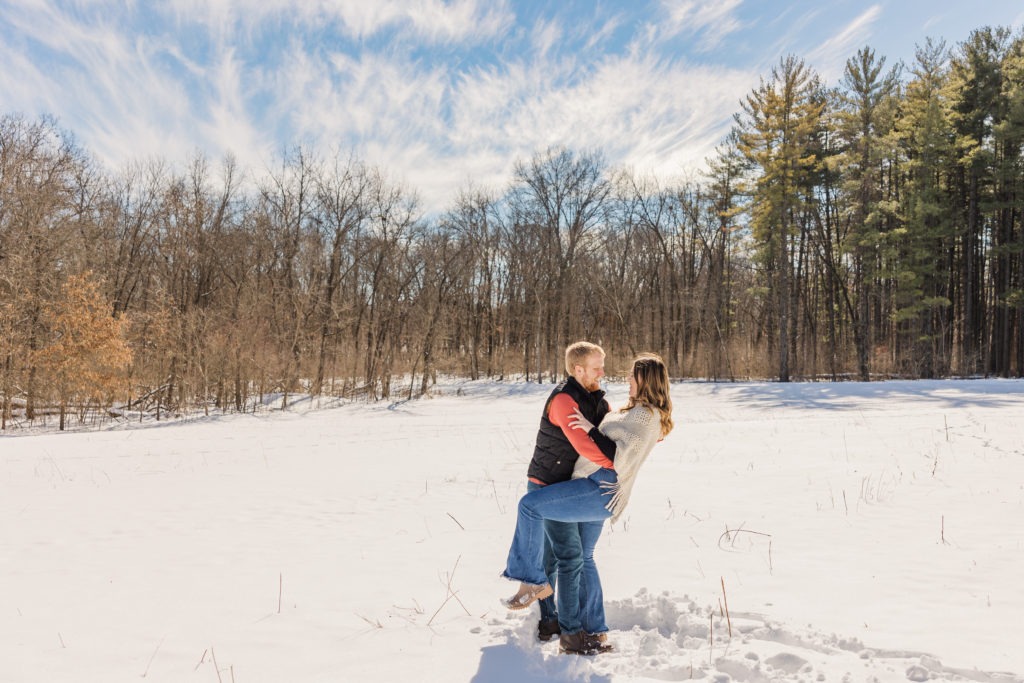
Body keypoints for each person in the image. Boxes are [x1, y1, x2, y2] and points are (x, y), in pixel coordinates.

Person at [501, 353, 675, 656]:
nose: (628, 380)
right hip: (596, 485)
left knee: (530, 506)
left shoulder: (647, 416)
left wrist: (587, 428)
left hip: (599, 488)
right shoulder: (637, 411)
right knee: (584, 558)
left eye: (633, 376)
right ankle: (593, 634)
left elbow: (617, 455)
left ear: (646, 380)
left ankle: (531, 580)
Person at [523, 342, 612, 646]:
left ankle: (551, 621)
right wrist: (618, 464)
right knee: (568, 556)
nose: (603, 371)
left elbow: (615, 433)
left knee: (555, 556)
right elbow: (584, 445)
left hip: (570, 487)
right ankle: (567, 631)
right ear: (578, 369)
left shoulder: (598, 400)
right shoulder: (563, 400)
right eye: (597, 366)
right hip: (547, 485)